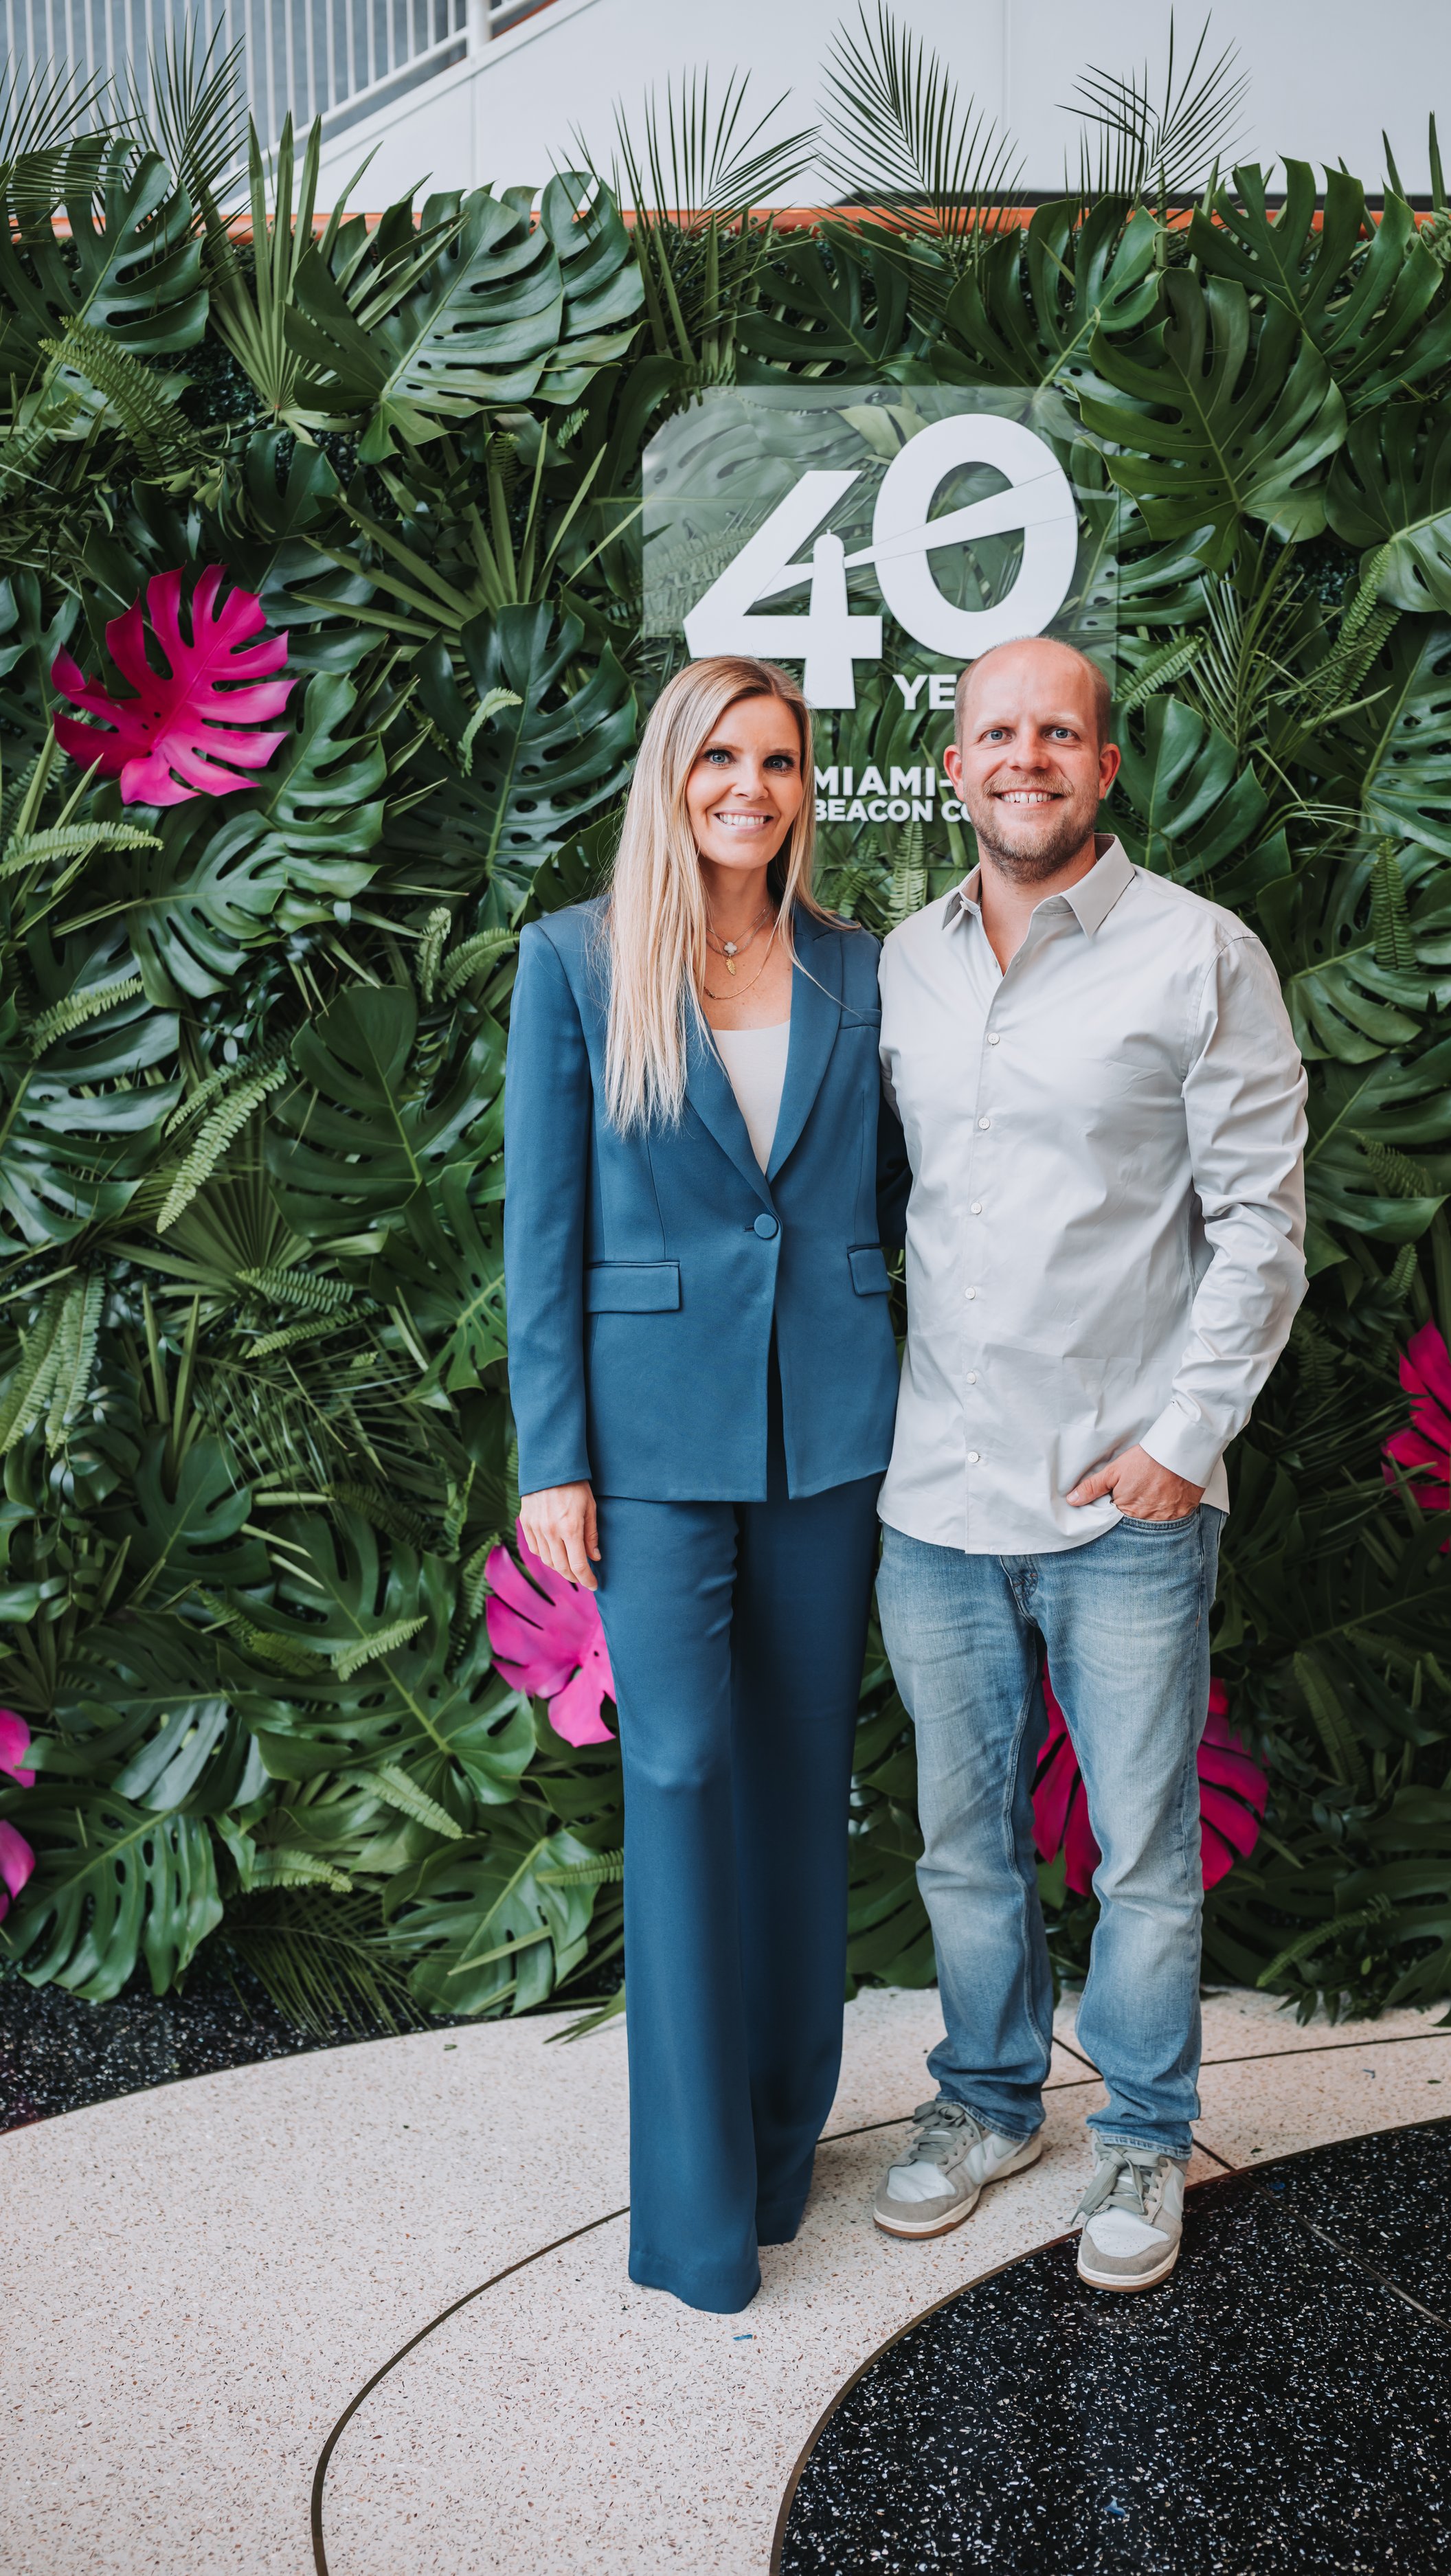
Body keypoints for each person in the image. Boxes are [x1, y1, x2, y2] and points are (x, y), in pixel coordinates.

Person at [870, 635, 1307, 2292]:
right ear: (955, 762)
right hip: (932, 1498)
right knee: (958, 1841)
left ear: (1103, 766)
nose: (1025, 756)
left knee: (1140, 1851)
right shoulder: (897, 963)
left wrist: (1184, 1443)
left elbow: (1261, 1228)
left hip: (1122, 1499)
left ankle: (1136, 2131)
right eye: (997, 731)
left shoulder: (1198, 956)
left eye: (1059, 732)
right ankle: (984, 2104)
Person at [504, 655, 905, 2314]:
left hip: (827, 1430)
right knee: (673, 1777)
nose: (751, 786)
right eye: (721, 758)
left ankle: (777, 2146)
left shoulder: (857, 969)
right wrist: (554, 1458)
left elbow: (890, 1192)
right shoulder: (577, 965)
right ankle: (691, 2221)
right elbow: (541, 1226)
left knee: (797, 1784)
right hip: (651, 1448)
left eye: (781, 762)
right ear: (672, 775)